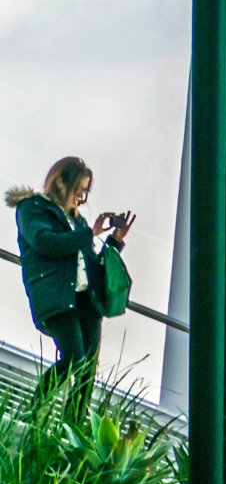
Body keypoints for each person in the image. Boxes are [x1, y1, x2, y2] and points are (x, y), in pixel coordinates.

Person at [7, 157, 136, 417]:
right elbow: (46, 242)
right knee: (73, 359)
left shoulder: (77, 221)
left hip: (86, 301)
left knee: (87, 369)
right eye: (79, 190)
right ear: (60, 182)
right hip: (56, 296)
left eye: (86, 192)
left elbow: (90, 264)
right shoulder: (33, 209)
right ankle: (32, 415)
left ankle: (73, 426)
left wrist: (113, 242)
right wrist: (91, 233)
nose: (82, 197)